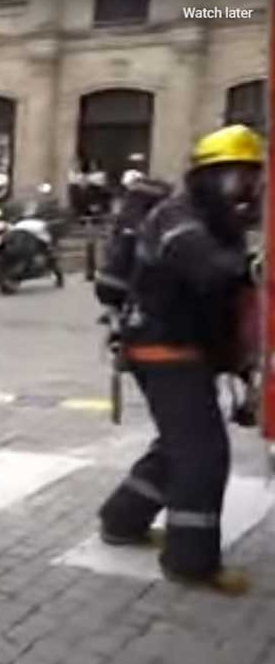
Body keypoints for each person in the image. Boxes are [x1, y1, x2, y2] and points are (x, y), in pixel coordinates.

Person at [98, 125, 265, 596]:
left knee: (179, 443)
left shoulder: (220, 221)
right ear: (210, 176)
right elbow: (206, 269)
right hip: (161, 347)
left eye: (252, 176)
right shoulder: (177, 217)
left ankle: (122, 520)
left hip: (187, 348)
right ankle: (191, 560)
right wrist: (254, 267)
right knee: (203, 453)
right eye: (239, 175)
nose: (248, 186)